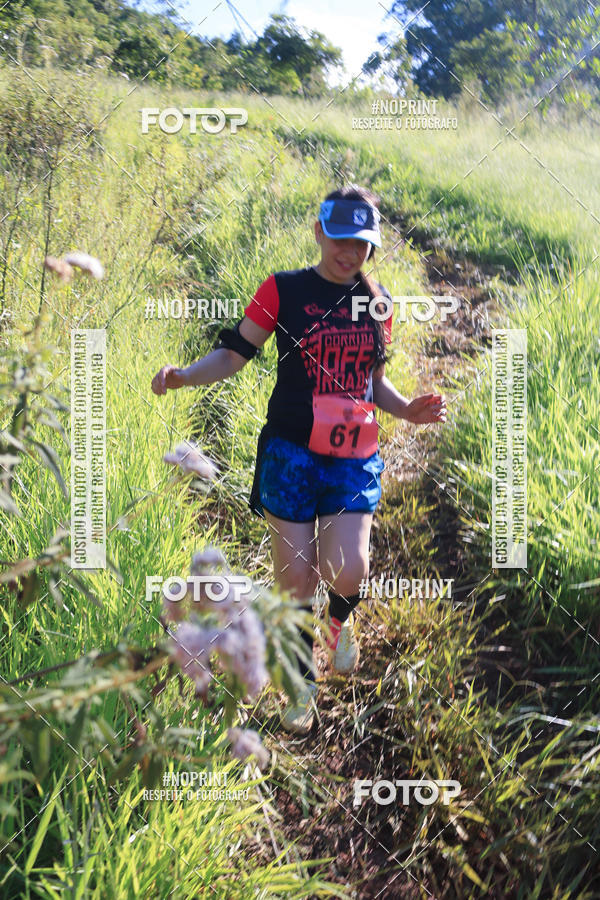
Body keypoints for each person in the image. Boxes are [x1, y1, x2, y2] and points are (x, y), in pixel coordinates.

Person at [151, 185, 447, 735]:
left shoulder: (376, 304)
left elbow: (373, 383)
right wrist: (184, 375)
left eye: (362, 244)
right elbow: (234, 352)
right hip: (289, 453)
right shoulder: (282, 291)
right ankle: (298, 681)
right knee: (294, 583)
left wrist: (407, 409)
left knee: (349, 567)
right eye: (340, 239)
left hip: (351, 457)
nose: (350, 253)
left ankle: (338, 622)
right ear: (319, 232)